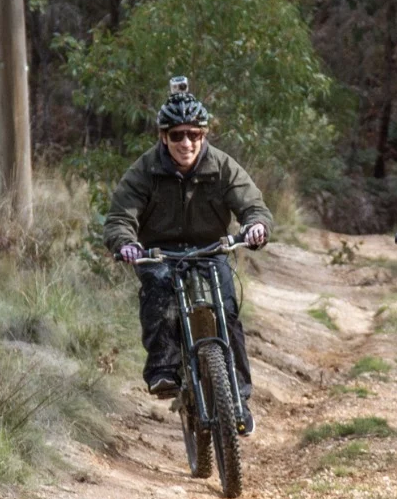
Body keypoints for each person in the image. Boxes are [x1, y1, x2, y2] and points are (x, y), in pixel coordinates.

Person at [105, 77, 272, 432]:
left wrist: (256, 226)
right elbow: (121, 216)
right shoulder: (145, 170)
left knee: (227, 312)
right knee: (158, 295)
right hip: (160, 253)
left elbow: (252, 204)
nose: (186, 143)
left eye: (194, 135)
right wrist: (125, 243)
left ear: (204, 135)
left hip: (211, 250)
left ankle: (237, 399)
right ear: (163, 136)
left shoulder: (222, 166)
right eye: (178, 135)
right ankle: (163, 369)